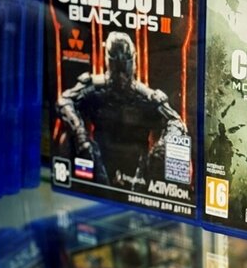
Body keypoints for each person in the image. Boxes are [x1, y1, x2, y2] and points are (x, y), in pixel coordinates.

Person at [55, 30, 187, 191]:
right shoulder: (95, 88)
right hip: (98, 162)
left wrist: (162, 147)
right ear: (109, 63)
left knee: (171, 152)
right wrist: (79, 132)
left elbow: (176, 122)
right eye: (117, 66)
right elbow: (64, 101)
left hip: (139, 173)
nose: (121, 75)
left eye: (124, 66)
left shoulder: (146, 96)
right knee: (67, 139)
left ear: (132, 63)